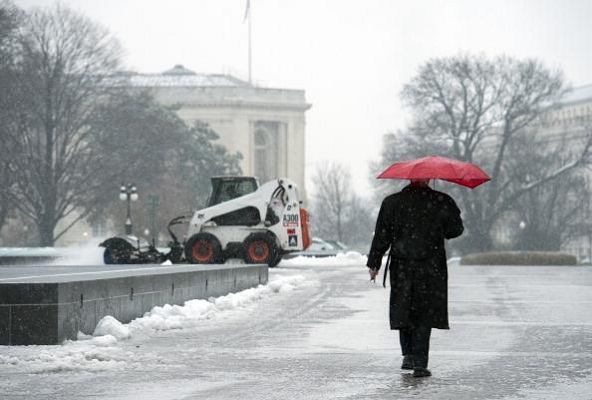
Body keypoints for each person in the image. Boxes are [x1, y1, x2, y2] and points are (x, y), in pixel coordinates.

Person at [367, 178, 464, 378]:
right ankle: (420, 363)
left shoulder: (392, 202)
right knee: (423, 313)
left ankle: (408, 355)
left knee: (404, 308)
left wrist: (374, 263)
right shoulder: (441, 200)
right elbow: (455, 230)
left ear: (409, 178)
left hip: (402, 264)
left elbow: (382, 235)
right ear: (429, 179)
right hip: (430, 266)